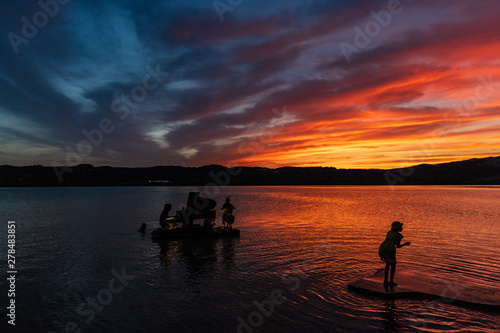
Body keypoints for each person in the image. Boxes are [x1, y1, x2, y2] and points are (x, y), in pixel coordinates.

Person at [378, 221, 411, 287]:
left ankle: (385, 281)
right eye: (401, 227)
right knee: (393, 265)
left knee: (387, 264)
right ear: (398, 228)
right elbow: (398, 246)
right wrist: (405, 244)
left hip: (383, 247)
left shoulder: (389, 233)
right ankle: (391, 281)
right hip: (390, 248)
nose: (402, 228)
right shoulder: (399, 235)